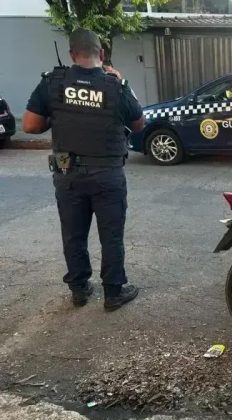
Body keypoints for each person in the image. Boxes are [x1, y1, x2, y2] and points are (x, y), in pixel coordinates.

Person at [22, 28, 144, 311]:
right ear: (101, 54)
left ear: (71, 54)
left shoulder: (53, 83)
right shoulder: (115, 85)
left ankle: (79, 289)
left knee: (73, 233)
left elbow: (30, 125)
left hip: (68, 174)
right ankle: (113, 292)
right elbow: (139, 124)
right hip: (108, 174)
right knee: (111, 235)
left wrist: (58, 117)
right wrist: (123, 81)